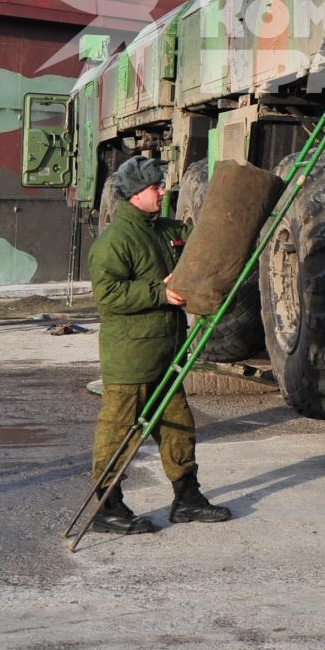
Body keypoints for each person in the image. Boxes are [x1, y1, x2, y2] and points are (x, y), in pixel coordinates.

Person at [85, 155, 231, 534]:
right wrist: (159, 292)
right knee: (118, 430)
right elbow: (109, 296)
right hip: (130, 358)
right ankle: (107, 506)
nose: (163, 191)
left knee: (178, 425)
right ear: (136, 195)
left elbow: (190, 245)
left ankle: (187, 498)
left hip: (166, 352)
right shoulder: (114, 242)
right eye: (156, 186)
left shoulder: (163, 229)